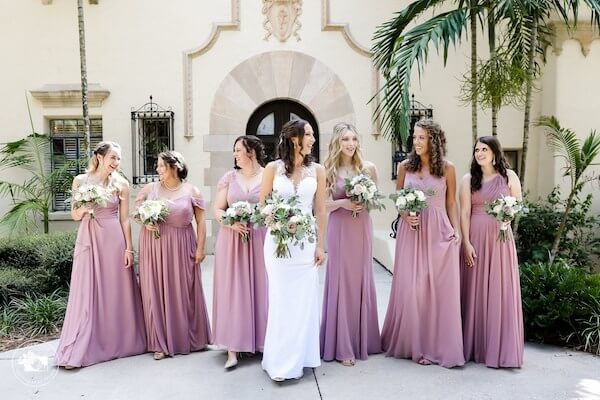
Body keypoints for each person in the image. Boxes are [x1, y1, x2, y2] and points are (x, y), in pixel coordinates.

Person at [381, 119, 465, 368]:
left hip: (439, 231)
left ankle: (435, 347)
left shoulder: (448, 168)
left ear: (434, 141)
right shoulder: (405, 167)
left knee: (437, 291)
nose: (416, 142)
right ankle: (413, 344)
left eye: (421, 138)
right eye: (415, 137)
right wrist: (406, 215)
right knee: (413, 288)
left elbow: (451, 203)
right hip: (412, 231)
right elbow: (397, 198)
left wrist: (456, 232)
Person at [55, 141, 146, 369]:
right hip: (89, 238)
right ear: (99, 157)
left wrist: (128, 248)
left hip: (113, 239)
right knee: (87, 289)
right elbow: (75, 215)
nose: (116, 163)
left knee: (115, 289)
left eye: (118, 158)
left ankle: (119, 342)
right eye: (113, 158)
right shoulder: (80, 181)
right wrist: (85, 208)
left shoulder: (121, 184)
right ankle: (84, 345)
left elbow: (124, 219)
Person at [259, 119, 327, 381]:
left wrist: (321, 245)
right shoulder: (272, 169)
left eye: (312, 135)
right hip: (278, 243)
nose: (312, 139)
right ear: (293, 138)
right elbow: (263, 203)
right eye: (307, 135)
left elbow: (320, 209)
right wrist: (277, 219)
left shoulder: (318, 170)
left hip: (306, 243)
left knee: (303, 301)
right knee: (281, 298)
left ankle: (300, 358)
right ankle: (278, 362)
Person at [135, 151, 211, 360]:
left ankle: (188, 338)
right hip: (154, 245)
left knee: (183, 291)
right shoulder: (150, 189)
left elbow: (201, 222)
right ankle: (159, 342)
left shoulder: (192, 190)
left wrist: (201, 248)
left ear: (174, 166)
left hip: (183, 245)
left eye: (161, 166)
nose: (157, 169)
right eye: (157, 166)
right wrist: (145, 221)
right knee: (155, 291)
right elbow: (136, 213)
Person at [320, 122, 382, 366]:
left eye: (354, 139)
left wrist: (365, 199)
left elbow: (376, 199)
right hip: (339, 229)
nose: (350, 144)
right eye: (345, 139)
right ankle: (342, 345)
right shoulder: (328, 169)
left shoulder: (368, 168)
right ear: (337, 142)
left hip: (362, 227)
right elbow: (322, 205)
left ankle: (364, 340)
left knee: (361, 279)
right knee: (341, 280)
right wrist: (343, 204)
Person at [460, 136, 524, 368]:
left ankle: (500, 348)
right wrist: (466, 243)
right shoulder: (468, 179)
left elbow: (518, 205)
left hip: (500, 240)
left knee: (500, 289)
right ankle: (477, 347)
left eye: (484, 149)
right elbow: (464, 212)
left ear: (495, 152)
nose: (479, 153)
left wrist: (507, 216)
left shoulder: (509, 177)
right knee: (475, 290)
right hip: (475, 238)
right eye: (476, 149)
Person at [212, 135, 268, 369]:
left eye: (238, 150)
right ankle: (233, 349)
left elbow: (273, 206)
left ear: (251, 152)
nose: (235, 154)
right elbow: (216, 209)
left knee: (262, 287)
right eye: (234, 150)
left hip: (259, 237)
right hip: (232, 238)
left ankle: (263, 341)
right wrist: (230, 222)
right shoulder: (229, 177)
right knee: (233, 289)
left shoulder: (268, 175)